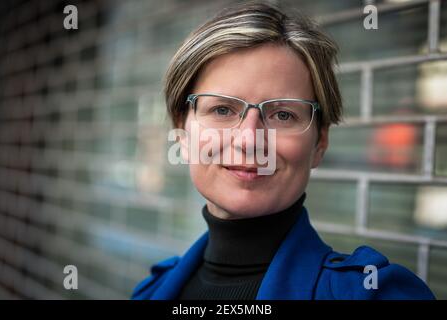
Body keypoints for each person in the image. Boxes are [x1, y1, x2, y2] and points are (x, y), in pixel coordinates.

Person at [132, 2, 435, 300]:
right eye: (222, 109)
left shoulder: (375, 294)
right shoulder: (148, 292)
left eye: (283, 115)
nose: (249, 140)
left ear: (320, 144)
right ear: (183, 134)